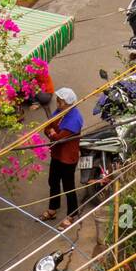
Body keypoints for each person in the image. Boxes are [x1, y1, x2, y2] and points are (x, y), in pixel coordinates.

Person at [41, 87, 83, 228]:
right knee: (53, 180)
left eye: (61, 102)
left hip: (68, 158)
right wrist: (51, 132)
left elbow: (59, 137)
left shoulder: (75, 119)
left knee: (68, 186)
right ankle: (53, 208)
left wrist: (52, 133)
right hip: (57, 154)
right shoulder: (60, 112)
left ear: (69, 103)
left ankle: (72, 214)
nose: (58, 103)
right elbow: (47, 128)